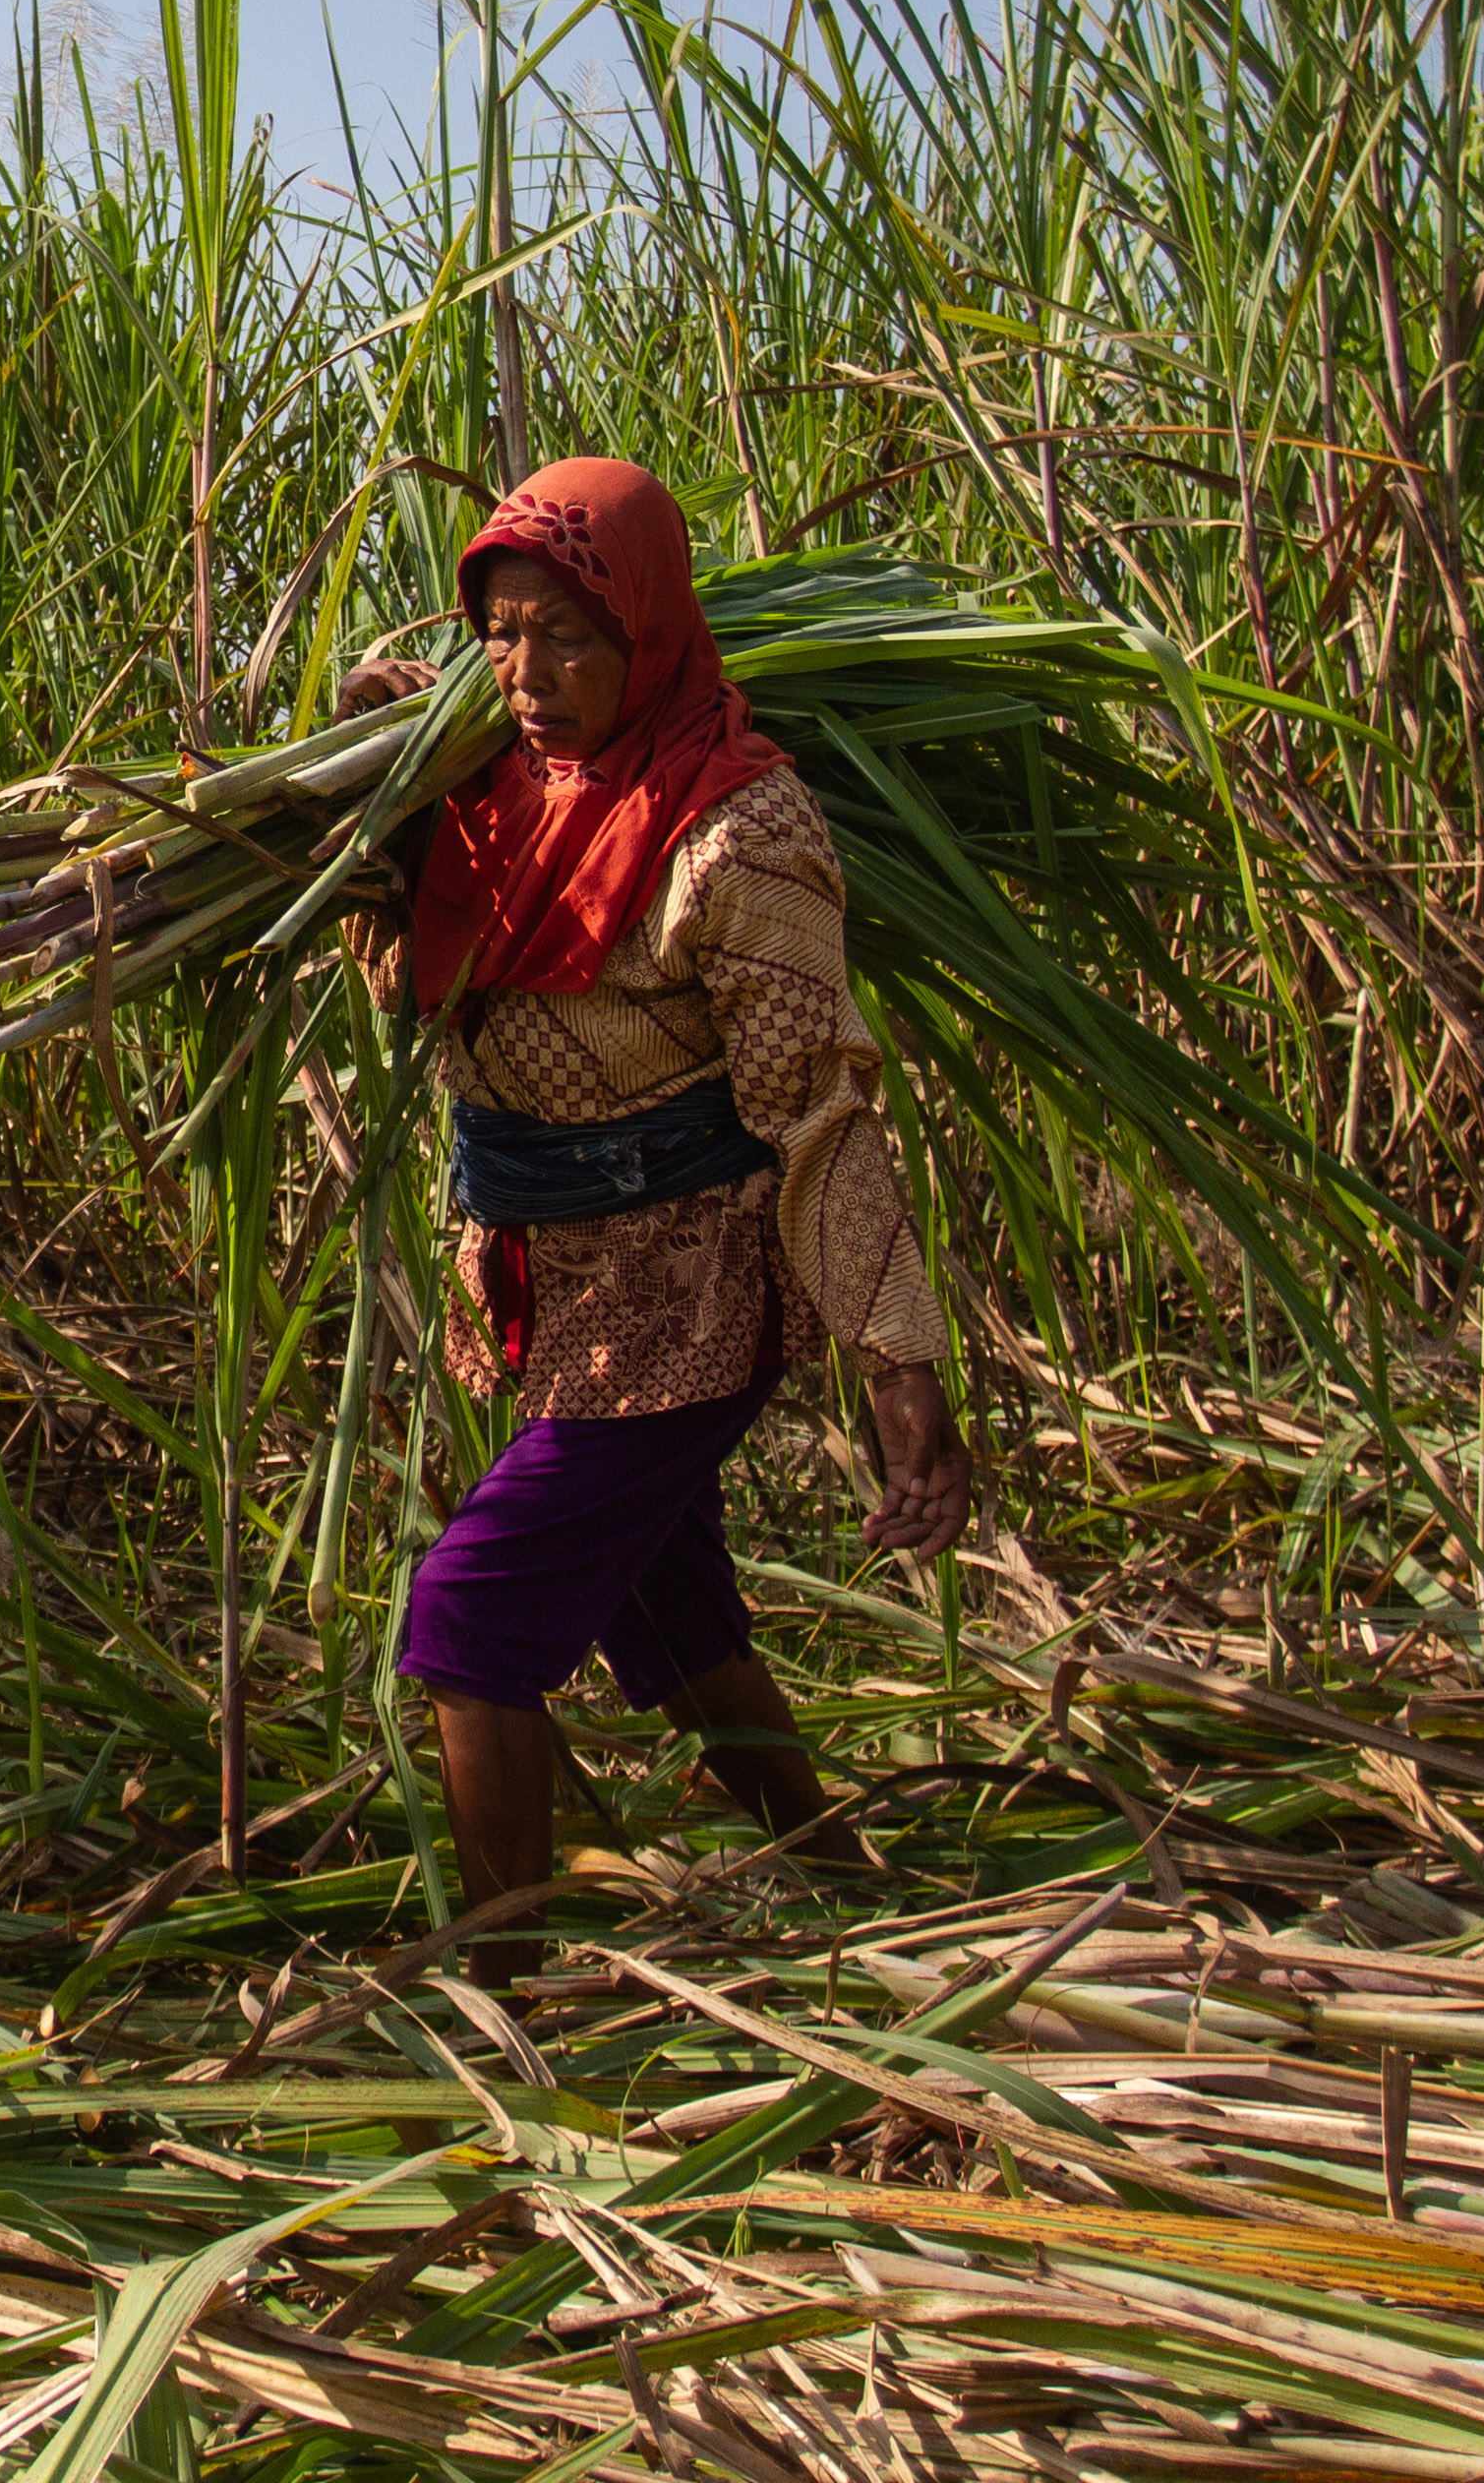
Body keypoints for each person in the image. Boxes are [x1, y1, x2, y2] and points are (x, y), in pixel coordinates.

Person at [338, 455, 973, 1974]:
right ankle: (844, 1876)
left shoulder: (738, 837)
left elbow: (823, 1114)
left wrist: (902, 1374)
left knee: (467, 1626)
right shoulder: (494, 791)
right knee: (671, 1621)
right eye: (501, 633)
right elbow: (427, 993)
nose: (529, 675)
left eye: (570, 637)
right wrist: (374, 809)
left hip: (685, 1299)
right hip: (556, 1281)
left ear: (652, 629)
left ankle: (505, 1977)